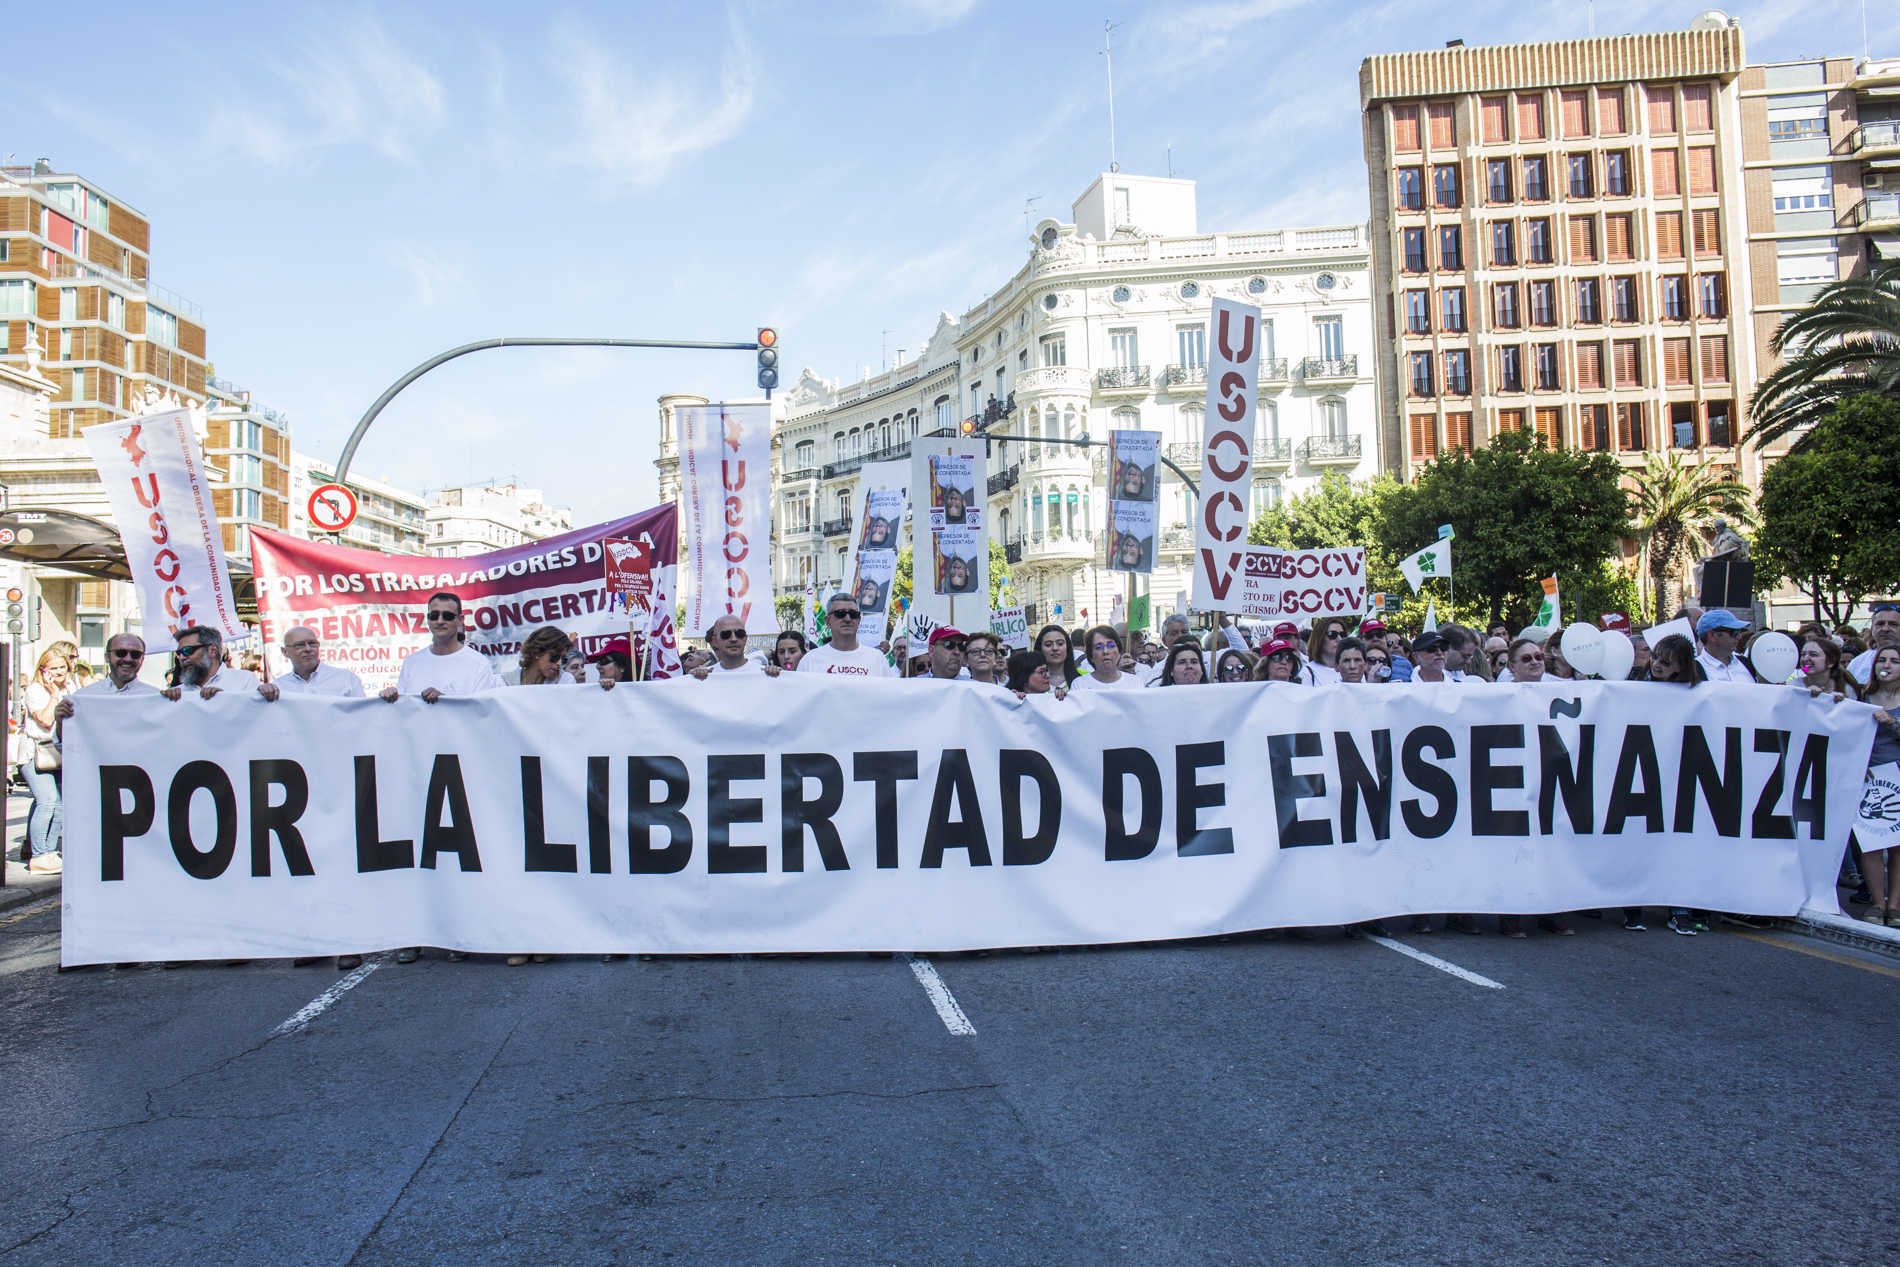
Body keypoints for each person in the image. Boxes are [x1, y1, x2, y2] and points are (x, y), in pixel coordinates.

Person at [380, 594, 502, 703]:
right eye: (434, 615)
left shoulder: (479, 664)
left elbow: (482, 712)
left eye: (447, 616)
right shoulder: (411, 662)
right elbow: (402, 710)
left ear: (460, 620)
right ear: (427, 619)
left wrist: (445, 703)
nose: (440, 621)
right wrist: (390, 697)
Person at [1857, 647, 1900, 926]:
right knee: (1870, 844)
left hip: (1897, 778)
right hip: (1867, 778)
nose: (1887, 665)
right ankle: (1877, 902)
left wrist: (1893, 723)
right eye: (1882, 660)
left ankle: (1894, 906)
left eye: (1895, 661)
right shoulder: (1861, 697)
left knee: (1897, 846)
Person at [21, 646, 73, 874]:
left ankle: (49, 853)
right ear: (43, 670)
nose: (59, 672)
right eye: (53, 668)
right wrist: (53, 695)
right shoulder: (34, 690)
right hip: (36, 753)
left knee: (60, 805)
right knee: (47, 801)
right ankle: (39, 853)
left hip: (60, 752)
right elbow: (43, 719)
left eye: (62, 667)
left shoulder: (71, 686)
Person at [799, 594, 896, 677]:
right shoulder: (810, 660)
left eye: (853, 614)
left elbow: (888, 694)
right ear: (827, 621)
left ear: (859, 620)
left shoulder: (877, 659)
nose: (848, 619)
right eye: (840, 613)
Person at [261, 626, 364, 699]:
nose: (308, 649)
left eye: (312, 643)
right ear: (285, 652)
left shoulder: (346, 679)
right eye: (300, 645)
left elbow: (362, 716)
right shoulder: (279, 687)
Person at [162, 625, 260, 700]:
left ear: (212, 651)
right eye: (178, 653)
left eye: (187, 651)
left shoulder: (244, 681)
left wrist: (223, 699)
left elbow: (255, 718)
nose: (181, 657)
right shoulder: (178, 693)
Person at [1848, 604, 1899, 690]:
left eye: (1893, 624)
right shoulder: (1857, 664)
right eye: (1880, 624)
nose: (1885, 629)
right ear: (1872, 628)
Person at [1694, 610, 1753, 683]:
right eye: (1734, 633)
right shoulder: (1694, 670)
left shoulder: (1746, 663)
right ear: (1712, 635)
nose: (1739, 637)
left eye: (1740, 632)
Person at [1073, 625, 1139, 690]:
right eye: (1099, 647)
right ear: (1091, 656)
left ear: (1119, 652)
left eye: (1111, 645)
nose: (1105, 651)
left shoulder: (1135, 683)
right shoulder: (1079, 685)